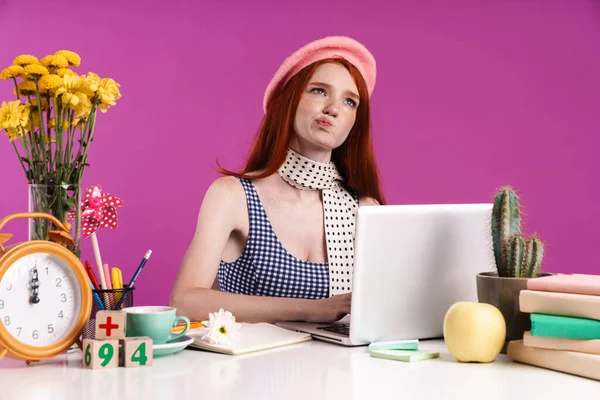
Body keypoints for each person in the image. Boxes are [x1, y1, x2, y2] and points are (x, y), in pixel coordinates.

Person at [170, 36, 386, 324]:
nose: (333, 108)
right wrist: (314, 309)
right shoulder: (233, 195)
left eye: (350, 101)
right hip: (247, 367)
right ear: (289, 99)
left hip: (342, 368)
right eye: (319, 91)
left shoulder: (366, 211)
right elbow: (184, 301)